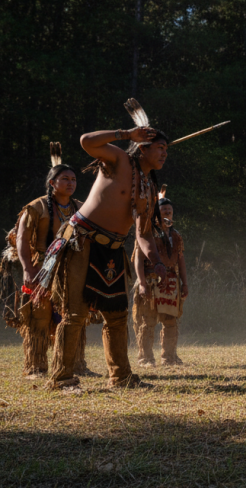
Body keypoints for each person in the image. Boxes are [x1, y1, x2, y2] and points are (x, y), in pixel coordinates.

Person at [36, 115, 169, 391]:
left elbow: (143, 233)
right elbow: (86, 141)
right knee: (74, 314)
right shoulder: (119, 160)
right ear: (143, 147)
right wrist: (126, 133)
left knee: (117, 315)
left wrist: (156, 261)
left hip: (113, 249)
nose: (164, 154)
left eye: (166, 149)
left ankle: (121, 378)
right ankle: (61, 378)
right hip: (81, 242)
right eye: (159, 147)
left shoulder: (149, 187)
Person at [2, 144, 95, 378]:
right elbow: (22, 239)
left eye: (74, 179)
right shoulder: (36, 207)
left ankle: (75, 364)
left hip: (71, 268)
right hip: (41, 266)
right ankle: (36, 366)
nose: (71, 183)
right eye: (65, 179)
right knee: (39, 315)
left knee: (73, 313)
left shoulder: (80, 208)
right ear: (52, 183)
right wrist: (28, 268)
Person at [132, 186, 189, 367]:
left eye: (169, 211)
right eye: (163, 210)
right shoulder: (146, 233)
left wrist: (184, 283)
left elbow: (181, 261)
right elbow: (138, 259)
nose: (167, 213)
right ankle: (145, 358)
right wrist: (141, 283)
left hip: (172, 283)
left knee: (171, 322)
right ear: (156, 213)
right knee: (147, 322)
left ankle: (169, 357)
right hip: (150, 281)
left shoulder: (176, 236)